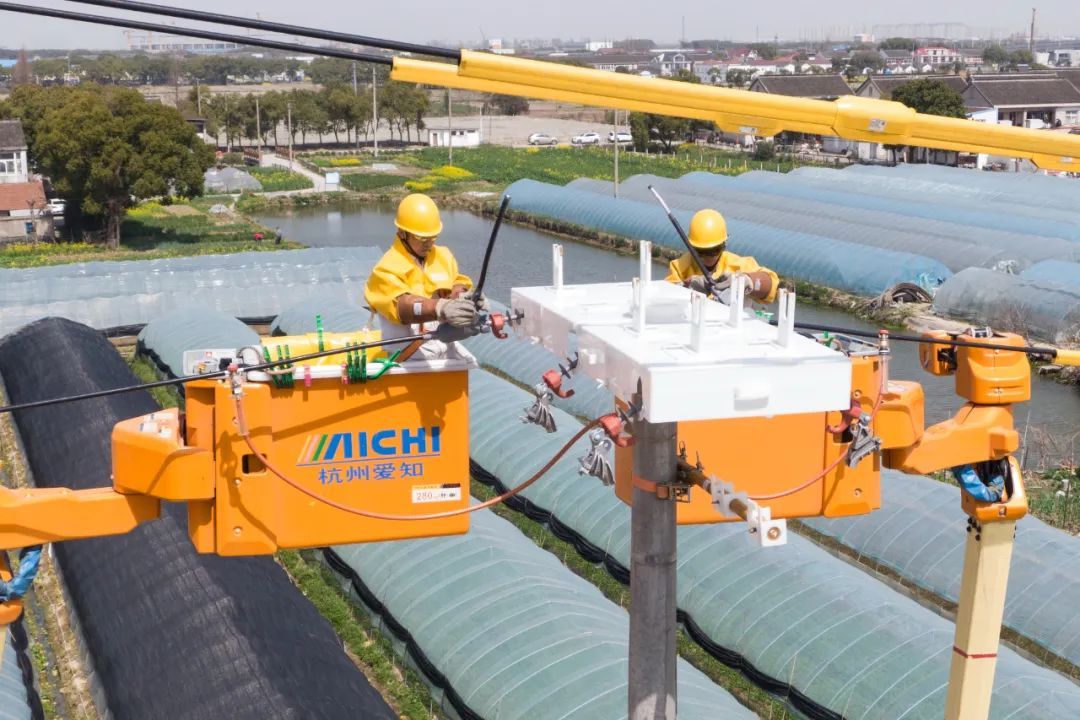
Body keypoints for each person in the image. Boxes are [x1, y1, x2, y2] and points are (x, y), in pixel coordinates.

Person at [364, 194, 487, 359]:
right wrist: (439, 307)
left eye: (432, 237)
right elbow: (401, 306)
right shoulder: (386, 268)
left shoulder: (443, 256)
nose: (428, 243)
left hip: (443, 346)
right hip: (406, 356)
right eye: (422, 238)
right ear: (402, 232)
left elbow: (456, 282)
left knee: (469, 363)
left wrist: (463, 295)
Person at [665, 208, 778, 303]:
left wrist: (748, 281)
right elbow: (665, 299)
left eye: (714, 251)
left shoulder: (737, 266)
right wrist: (684, 288)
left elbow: (771, 287)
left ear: (724, 245)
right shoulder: (679, 268)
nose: (707, 257)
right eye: (701, 251)